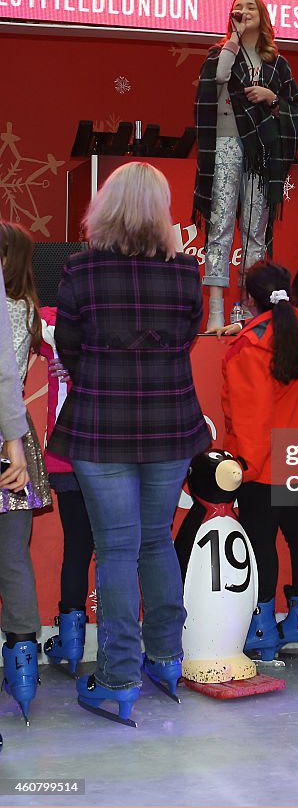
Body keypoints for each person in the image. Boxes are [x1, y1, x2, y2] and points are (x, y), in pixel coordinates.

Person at [48, 162, 211, 725]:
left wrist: (99, 371)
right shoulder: (187, 272)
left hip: (100, 422)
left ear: (106, 207)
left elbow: (65, 343)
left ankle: (119, 678)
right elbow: (189, 335)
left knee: (116, 550)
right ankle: (166, 659)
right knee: (155, 544)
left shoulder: (80, 270)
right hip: (170, 421)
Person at [221, 261, 298, 660]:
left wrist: (245, 466)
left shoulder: (250, 346)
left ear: (248, 298)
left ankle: (261, 628)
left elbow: (251, 417)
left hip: (262, 464)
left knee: (261, 545)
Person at [192, 0, 298, 332]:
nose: (242, 10)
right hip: (226, 144)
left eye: (249, 7)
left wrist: (272, 97)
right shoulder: (221, 53)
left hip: (262, 154)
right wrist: (234, 40)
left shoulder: (278, 63)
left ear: (263, 16)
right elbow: (219, 78)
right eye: (237, 7)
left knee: (255, 232)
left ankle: (248, 308)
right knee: (219, 227)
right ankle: (215, 311)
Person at [0, 222, 50, 725]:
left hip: (7, 433)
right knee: (13, 556)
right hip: (15, 433)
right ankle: (23, 665)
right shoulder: (30, 311)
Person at [39, 306, 94, 676]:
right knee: (115, 550)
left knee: (78, 546)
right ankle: (111, 641)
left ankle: (72, 642)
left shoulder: (52, 324)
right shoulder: (110, 322)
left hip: (66, 452)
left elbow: (28, 317)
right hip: (109, 451)